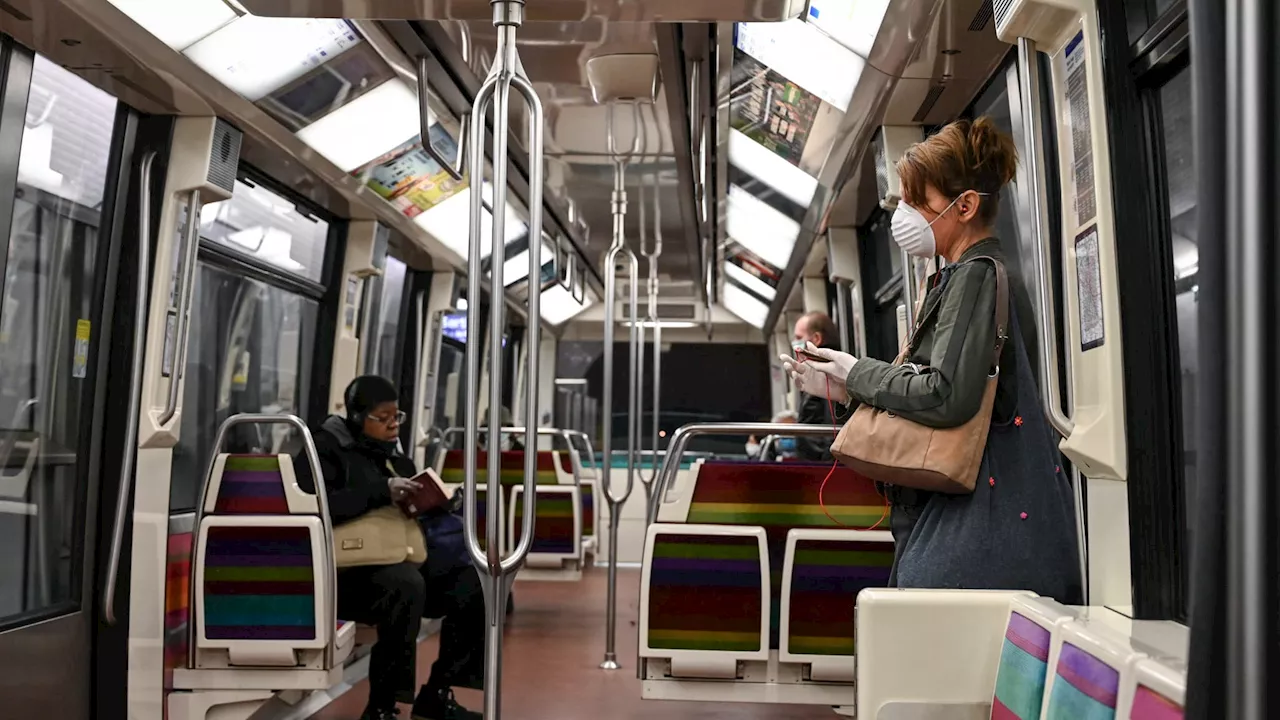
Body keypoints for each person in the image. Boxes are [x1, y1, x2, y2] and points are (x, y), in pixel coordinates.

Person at [781, 117, 1082, 604]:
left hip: (973, 529)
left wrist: (856, 371)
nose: (905, 215)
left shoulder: (974, 276)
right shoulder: (961, 276)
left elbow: (945, 395)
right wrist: (844, 388)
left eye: (918, 202)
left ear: (964, 206)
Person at [294, 376, 485, 720]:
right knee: (406, 586)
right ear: (356, 416)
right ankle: (381, 707)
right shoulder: (322, 449)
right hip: (343, 573)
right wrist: (382, 490)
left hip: (397, 555)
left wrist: (436, 501)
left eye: (398, 416)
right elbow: (319, 507)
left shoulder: (393, 455)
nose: (394, 425)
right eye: (383, 418)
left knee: (473, 584)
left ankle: (437, 691)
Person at [791, 312, 839, 462]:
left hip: (822, 466)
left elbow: (830, 425)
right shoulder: (822, 368)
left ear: (816, 339)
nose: (794, 343)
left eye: (798, 338)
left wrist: (821, 468)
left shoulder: (825, 372)